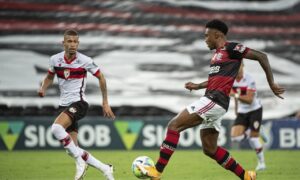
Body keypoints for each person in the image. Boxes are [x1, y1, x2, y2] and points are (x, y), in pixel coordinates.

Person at [142, 19, 285, 180]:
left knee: (174, 126)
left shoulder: (231, 48)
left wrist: (271, 83)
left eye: (206, 36)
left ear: (217, 35)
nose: (205, 39)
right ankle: (245, 175)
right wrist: (198, 86)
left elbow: (261, 56)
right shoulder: (217, 55)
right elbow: (216, 80)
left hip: (214, 100)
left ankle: (157, 171)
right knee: (210, 149)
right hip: (215, 101)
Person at [38, 29, 115, 180]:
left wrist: (105, 102)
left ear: (78, 43)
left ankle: (80, 163)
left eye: (75, 42)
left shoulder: (85, 60)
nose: (72, 45)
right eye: (69, 41)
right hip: (64, 105)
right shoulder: (55, 59)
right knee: (73, 149)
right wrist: (43, 88)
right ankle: (105, 168)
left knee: (56, 128)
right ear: (63, 43)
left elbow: (102, 78)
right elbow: (49, 77)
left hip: (79, 103)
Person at [230, 62, 266, 171]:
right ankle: (256, 130)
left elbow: (250, 100)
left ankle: (261, 163)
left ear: (243, 66)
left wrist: (235, 95)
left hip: (255, 109)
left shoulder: (250, 79)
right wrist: (236, 110)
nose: (238, 69)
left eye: (240, 66)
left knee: (254, 139)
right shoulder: (231, 80)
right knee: (235, 138)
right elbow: (235, 98)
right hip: (242, 111)